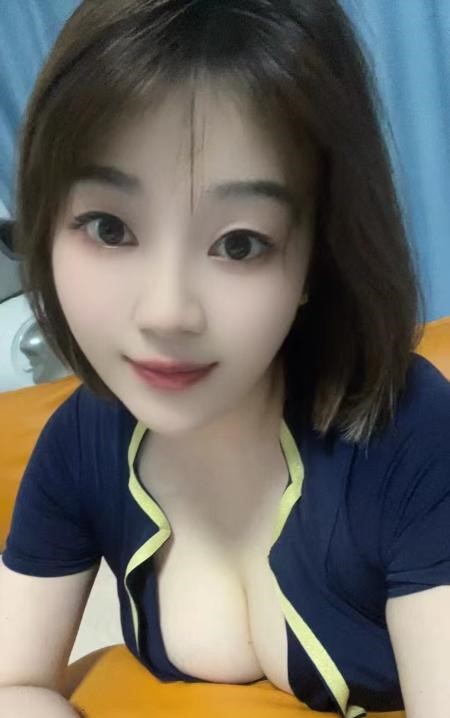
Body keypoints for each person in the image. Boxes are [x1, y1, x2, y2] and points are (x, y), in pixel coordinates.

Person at [0, 1, 449, 716]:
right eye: (109, 228)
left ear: (317, 256)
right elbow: (12, 682)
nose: (166, 312)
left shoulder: (412, 437)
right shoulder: (81, 442)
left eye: (239, 243)